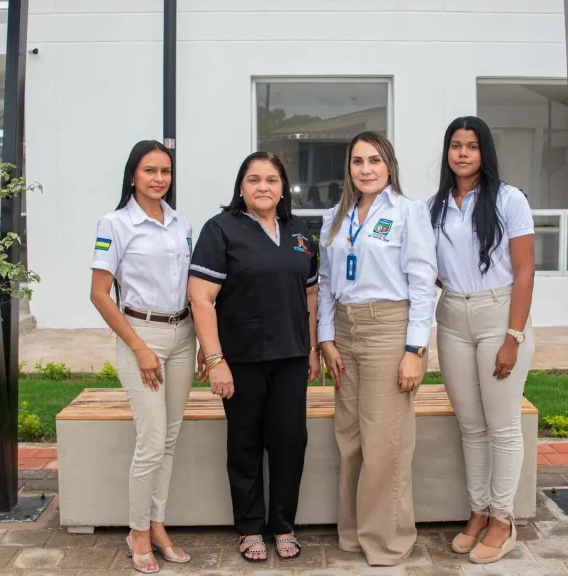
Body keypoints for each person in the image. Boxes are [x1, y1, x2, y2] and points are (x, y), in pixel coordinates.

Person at [186, 151, 321, 564]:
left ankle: (282, 524)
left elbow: (311, 294)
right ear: (240, 187)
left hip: (291, 356)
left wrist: (312, 347)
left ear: (284, 188)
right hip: (240, 358)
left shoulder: (299, 232)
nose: (264, 187)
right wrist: (215, 359)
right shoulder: (220, 230)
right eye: (254, 179)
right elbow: (201, 297)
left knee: (290, 441)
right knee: (244, 443)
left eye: (273, 180)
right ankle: (248, 527)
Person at [317, 131, 437, 566]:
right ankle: (352, 533)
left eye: (374, 160)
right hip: (345, 332)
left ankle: (387, 540)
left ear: (389, 165)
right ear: (348, 168)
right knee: (349, 438)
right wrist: (326, 338)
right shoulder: (335, 216)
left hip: (389, 329)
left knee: (385, 440)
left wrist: (415, 350)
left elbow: (423, 283)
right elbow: (328, 282)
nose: (365, 169)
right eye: (357, 161)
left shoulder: (409, 213)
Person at [428, 116, 535, 564]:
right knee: (470, 426)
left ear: (484, 151)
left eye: (472, 146)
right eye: (456, 145)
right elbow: (428, 266)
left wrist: (512, 337)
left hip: (499, 315)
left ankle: (503, 520)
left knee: (502, 426)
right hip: (452, 314)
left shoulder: (509, 200)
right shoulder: (434, 206)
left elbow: (526, 271)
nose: (463, 153)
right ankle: (477, 513)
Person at [89, 139, 197, 574]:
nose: (159, 179)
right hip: (142, 334)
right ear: (132, 174)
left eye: (165, 171)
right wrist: (138, 347)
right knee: (151, 440)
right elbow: (99, 295)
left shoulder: (180, 222)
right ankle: (136, 532)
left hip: (184, 333)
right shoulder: (114, 223)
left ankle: (156, 524)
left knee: (169, 440)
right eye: (150, 170)